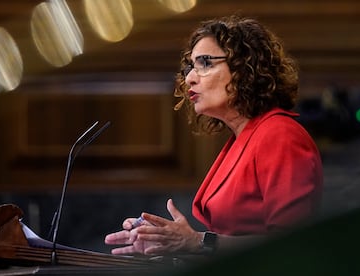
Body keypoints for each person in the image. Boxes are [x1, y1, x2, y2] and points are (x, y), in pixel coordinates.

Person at [105, 15, 323, 257]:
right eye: (191, 66)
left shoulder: (280, 135)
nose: (189, 78)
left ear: (244, 69)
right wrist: (164, 239)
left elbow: (293, 245)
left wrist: (198, 241)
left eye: (205, 63)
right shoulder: (243, 138)